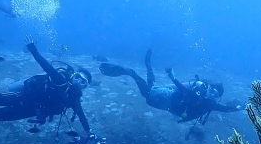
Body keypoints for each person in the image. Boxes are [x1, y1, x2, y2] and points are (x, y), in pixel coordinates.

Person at [99, 49, 241, 123]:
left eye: (215, 95)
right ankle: (132, 72)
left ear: (217, 98)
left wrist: (240, 107)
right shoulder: (197, 93)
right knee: (148, 91)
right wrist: (173, 79)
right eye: (212, 91)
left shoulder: (210, 104)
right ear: (208, 88)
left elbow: (225, 109)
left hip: (165, 103)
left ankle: (147, 65)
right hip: (164, 97)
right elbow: (185, 91)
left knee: (150, 86)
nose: (211, 95)